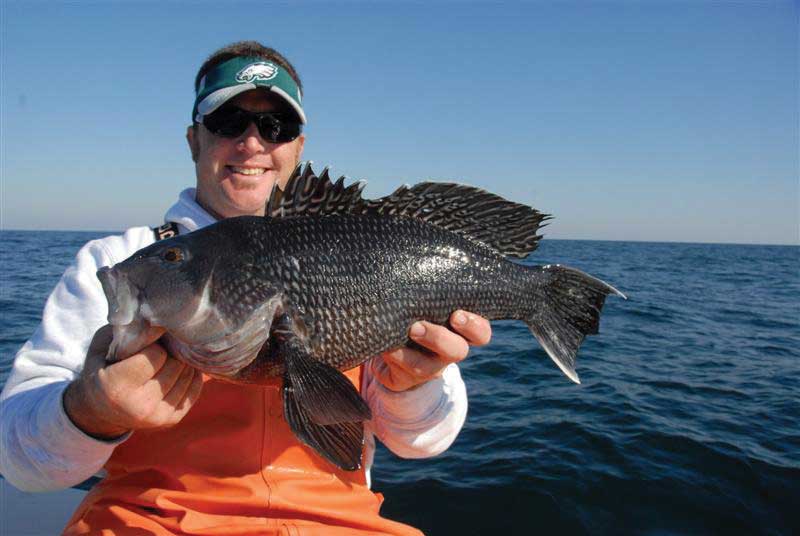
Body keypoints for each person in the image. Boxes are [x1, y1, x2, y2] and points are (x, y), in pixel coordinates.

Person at [0, 41, 492, 535]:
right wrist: (92, 410)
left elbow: (424, 443)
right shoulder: (119, 264)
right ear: (194, 139)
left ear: (298, 146)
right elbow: (18, 460)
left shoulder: (364, 251)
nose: (252, 143)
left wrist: (412, 384)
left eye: (277, 127)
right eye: (229, 121)